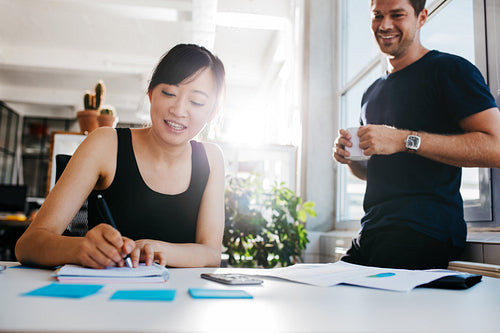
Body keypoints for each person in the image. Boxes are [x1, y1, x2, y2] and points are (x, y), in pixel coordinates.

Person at [15, 44, 226, 269]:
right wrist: (79, 248)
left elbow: (211, 253)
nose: (179, 109)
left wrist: (154, 249)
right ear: (151, 93)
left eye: (197, 102)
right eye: (169, 93)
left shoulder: (210, 159)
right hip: (103, 298)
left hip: (180, 300)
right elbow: (28, 245)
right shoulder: (106, 144)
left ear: (212, 112)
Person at [333, 0, 500, 269]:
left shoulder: (450, 70)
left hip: (423, 230)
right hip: (372, 231)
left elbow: (496, 147)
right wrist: (352, 158)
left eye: (397, 15)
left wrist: (401, 140)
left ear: (421, 17)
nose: (385, 25)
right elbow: (374, 172)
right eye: (378, 15)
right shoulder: (371, 92)